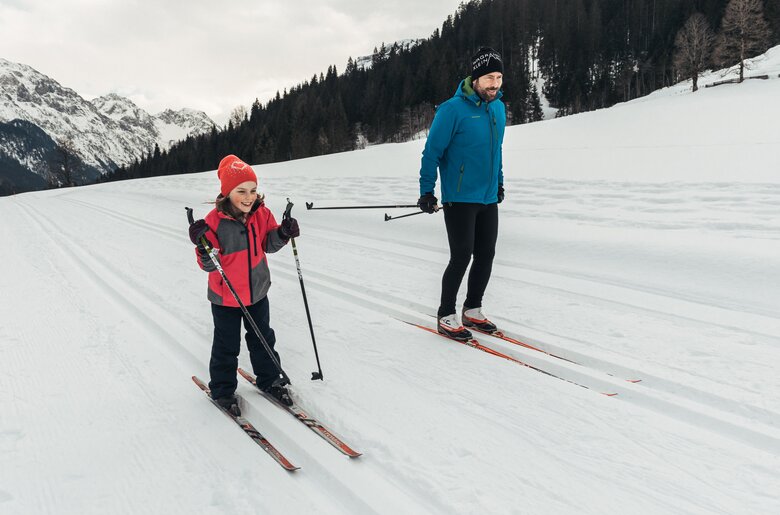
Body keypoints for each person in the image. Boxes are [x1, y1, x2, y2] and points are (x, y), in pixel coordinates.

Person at [188, 154, 300, 411]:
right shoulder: (213, 222)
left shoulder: (262, 214)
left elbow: (268, 245)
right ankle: (223, 390)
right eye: (241, 191)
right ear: (227, 192)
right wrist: (203, 247)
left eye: (252, 190)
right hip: (225, 297)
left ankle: (270, 380)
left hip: (257, 292)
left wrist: (283, 233)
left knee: (263, 338)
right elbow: (208, 264)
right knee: (227, 345)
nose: (249, 197)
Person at [418, 46, 506, 341]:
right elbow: (432, 153)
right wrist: (427, 191)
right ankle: (445, 314)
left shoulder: (498, 108)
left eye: (499, 77)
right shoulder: (452, 110)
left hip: (488, 197)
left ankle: (472, 309)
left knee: (486, 254)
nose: (494, 84)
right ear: (475, 79)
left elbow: (497, 151)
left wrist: (500, 182)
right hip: (459, 197)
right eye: (489, 78)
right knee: (461, 256)